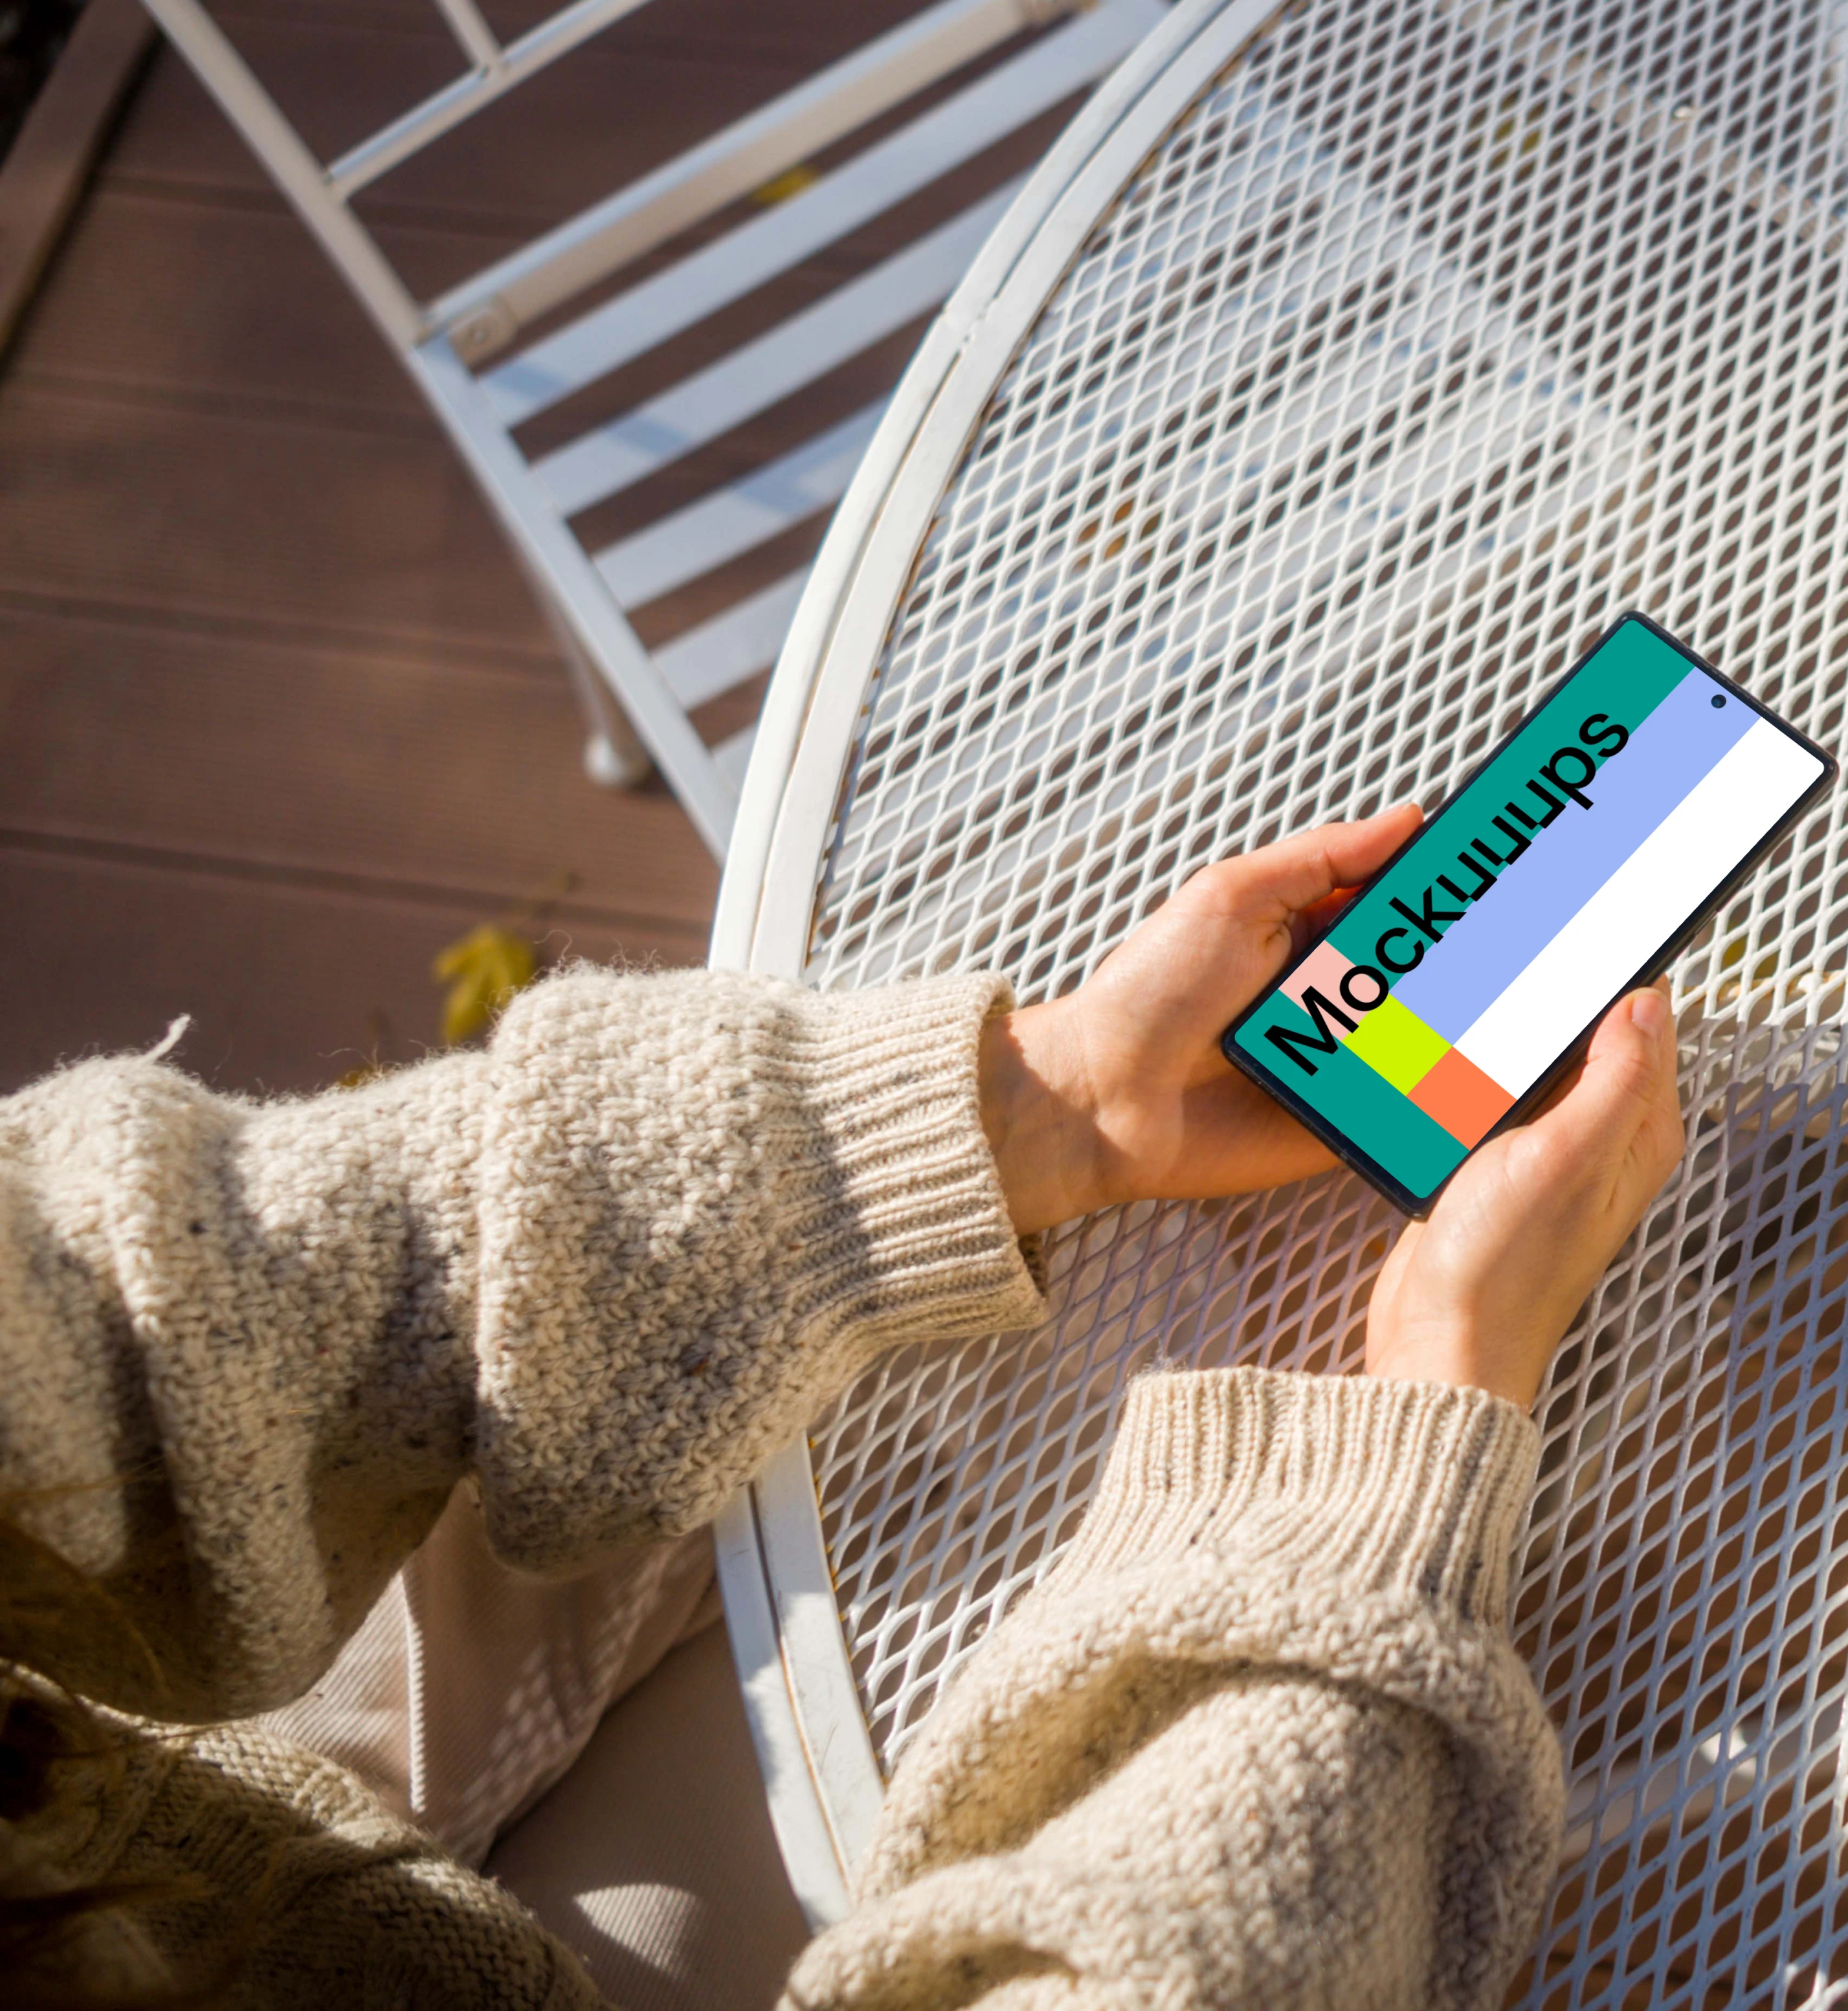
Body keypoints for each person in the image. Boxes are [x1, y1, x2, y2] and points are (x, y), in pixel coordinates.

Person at [0, 805, 1687, 2008]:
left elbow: (128, 1316)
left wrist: (1049, 1104)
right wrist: (1406, 1445)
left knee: (1127, 1259)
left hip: (135, 1757)